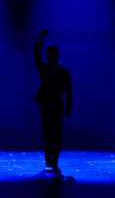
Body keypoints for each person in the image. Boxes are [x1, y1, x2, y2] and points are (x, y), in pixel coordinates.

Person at [34, 29, 72, 174]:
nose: (51, 57)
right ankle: (49, 161)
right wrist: (40, 38)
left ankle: (54, 161)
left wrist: (68, 106)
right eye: (50, 54)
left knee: (56, 134)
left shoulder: (64, 72)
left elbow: (69, 90)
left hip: (56, 104)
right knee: (48, 133)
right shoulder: (45, 69)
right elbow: (36, 54)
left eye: (53, 54)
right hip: (47, 104)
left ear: (56, 56)